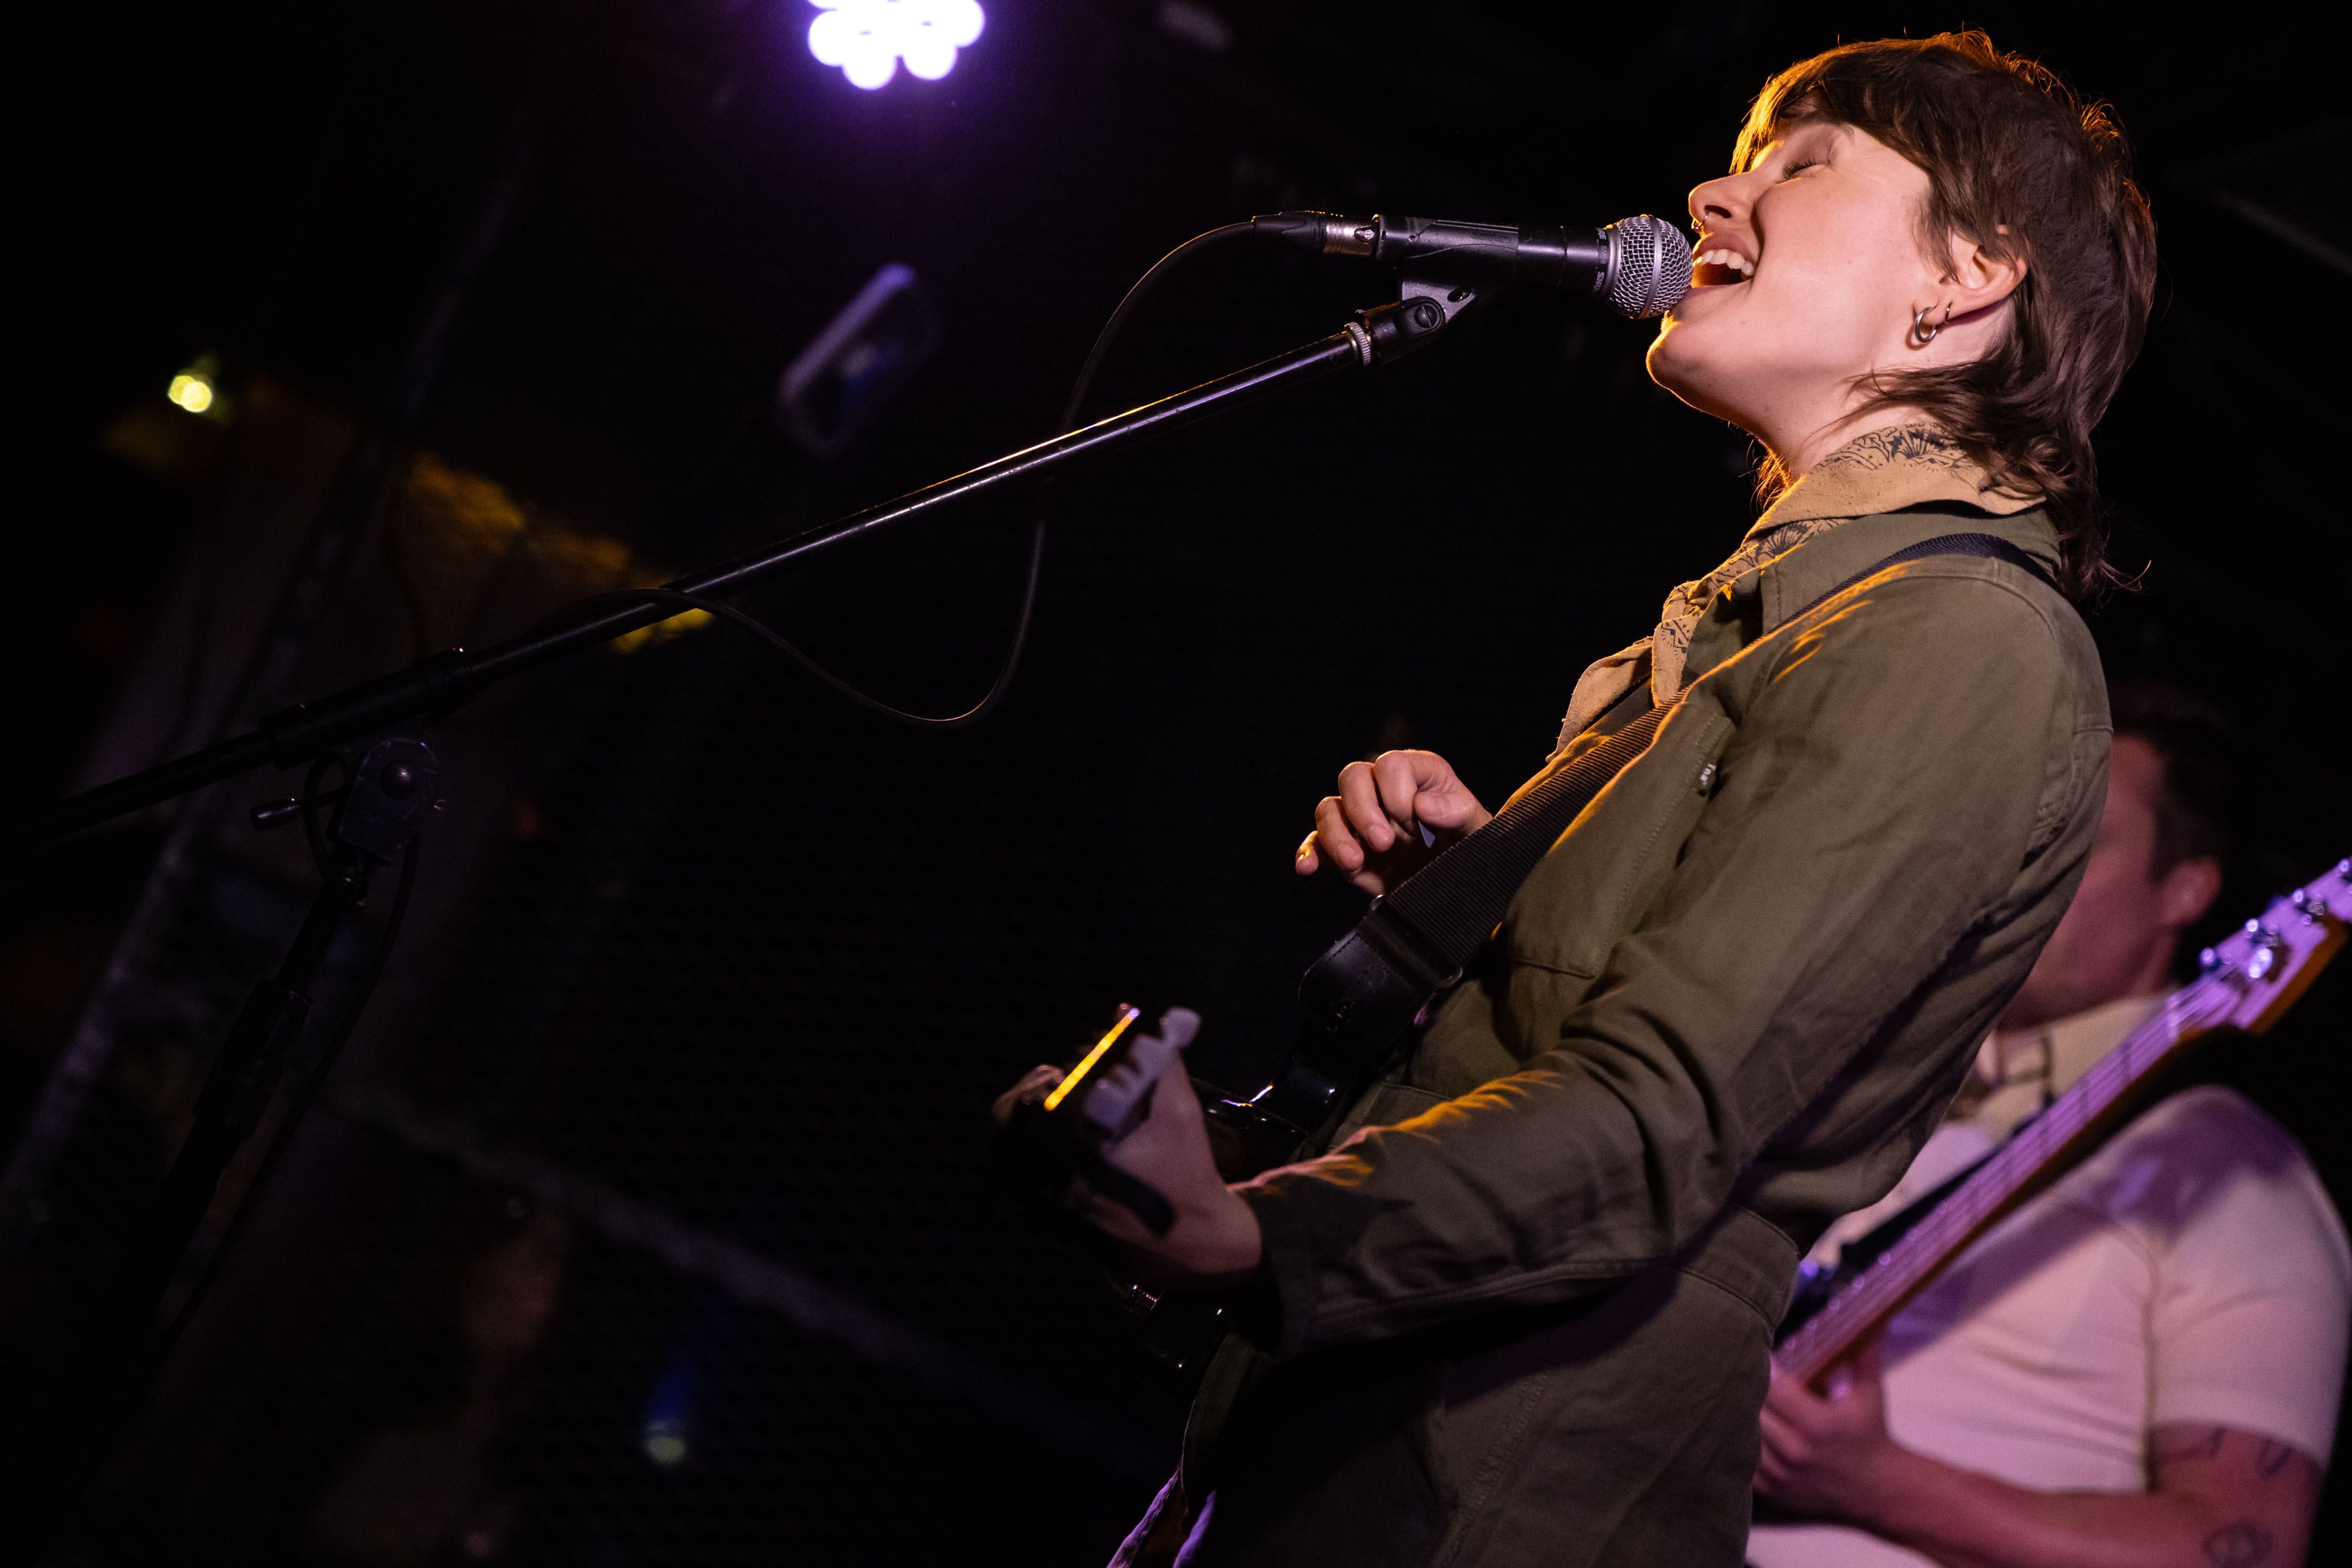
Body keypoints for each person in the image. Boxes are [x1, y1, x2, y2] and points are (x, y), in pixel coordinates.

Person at [1004, 32, 2157, 1564]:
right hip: (1348, 1447)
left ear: (1964, 279)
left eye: (1803, 166)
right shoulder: (1783, 619)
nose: (1713, 200)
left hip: (1482, 1493)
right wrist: (1479, 911)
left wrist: (1252, 1232)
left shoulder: (1961, 639)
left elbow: (1657, 1117)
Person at [1748, 683, 2351, 1568]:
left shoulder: (2225, 1172)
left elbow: (2244, 1549)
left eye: (2082, 840)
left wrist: (1878, 1483)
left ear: (2184, 890)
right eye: (2030, 830)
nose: (2029, 867)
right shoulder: (1871, 1085)